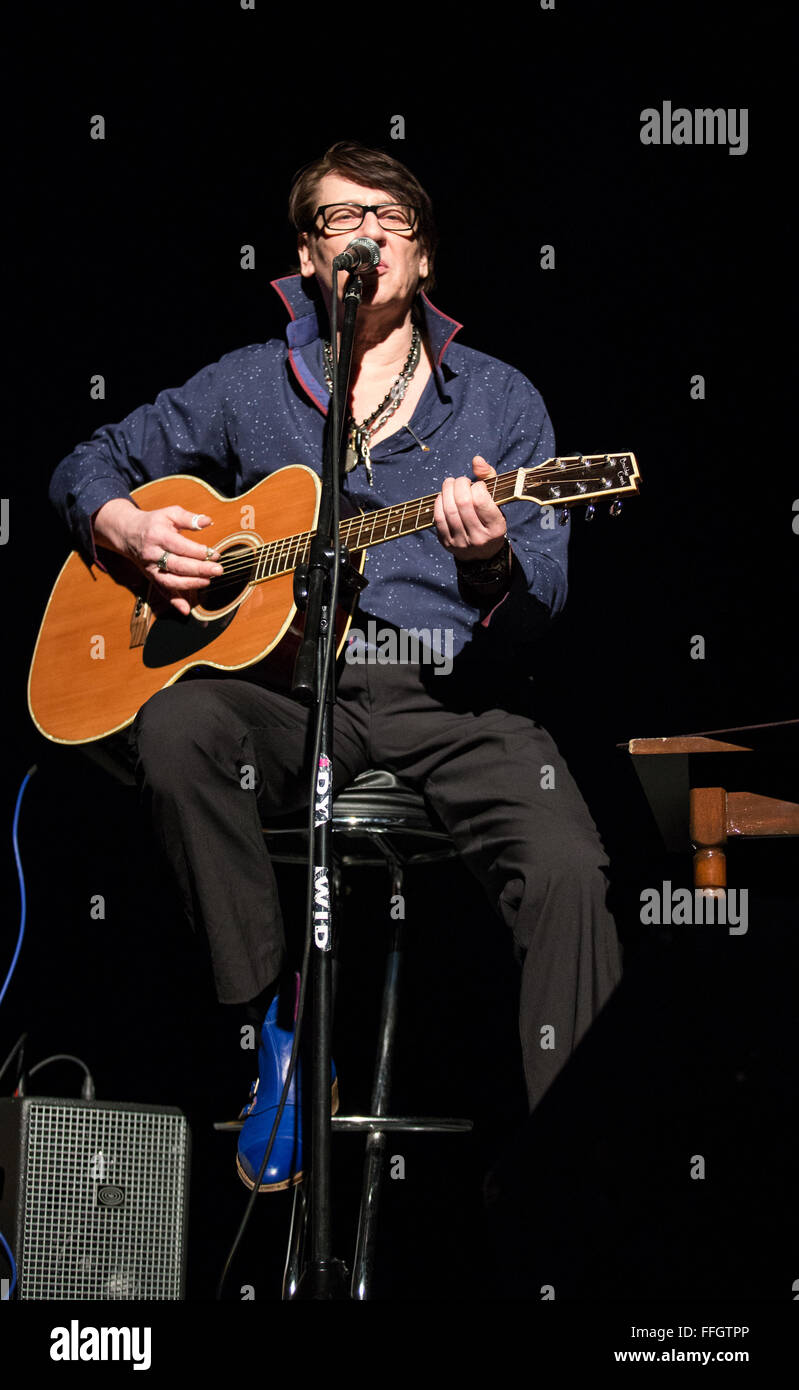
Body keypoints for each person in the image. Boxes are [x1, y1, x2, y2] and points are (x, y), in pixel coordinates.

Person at [49, 141, 622, 1191]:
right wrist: (123, 525)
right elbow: (88, 460)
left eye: (388, 215)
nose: (362, 230)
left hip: (451, 698)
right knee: (176, 730)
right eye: (332, 218)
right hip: (290, 694)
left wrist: (490, 555)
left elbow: (544, 606)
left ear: (423, 254)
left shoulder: (498, 403)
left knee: (568, 870)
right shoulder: (244, 386)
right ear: (308, 259)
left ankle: (572, 1166)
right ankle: (273, 1024)